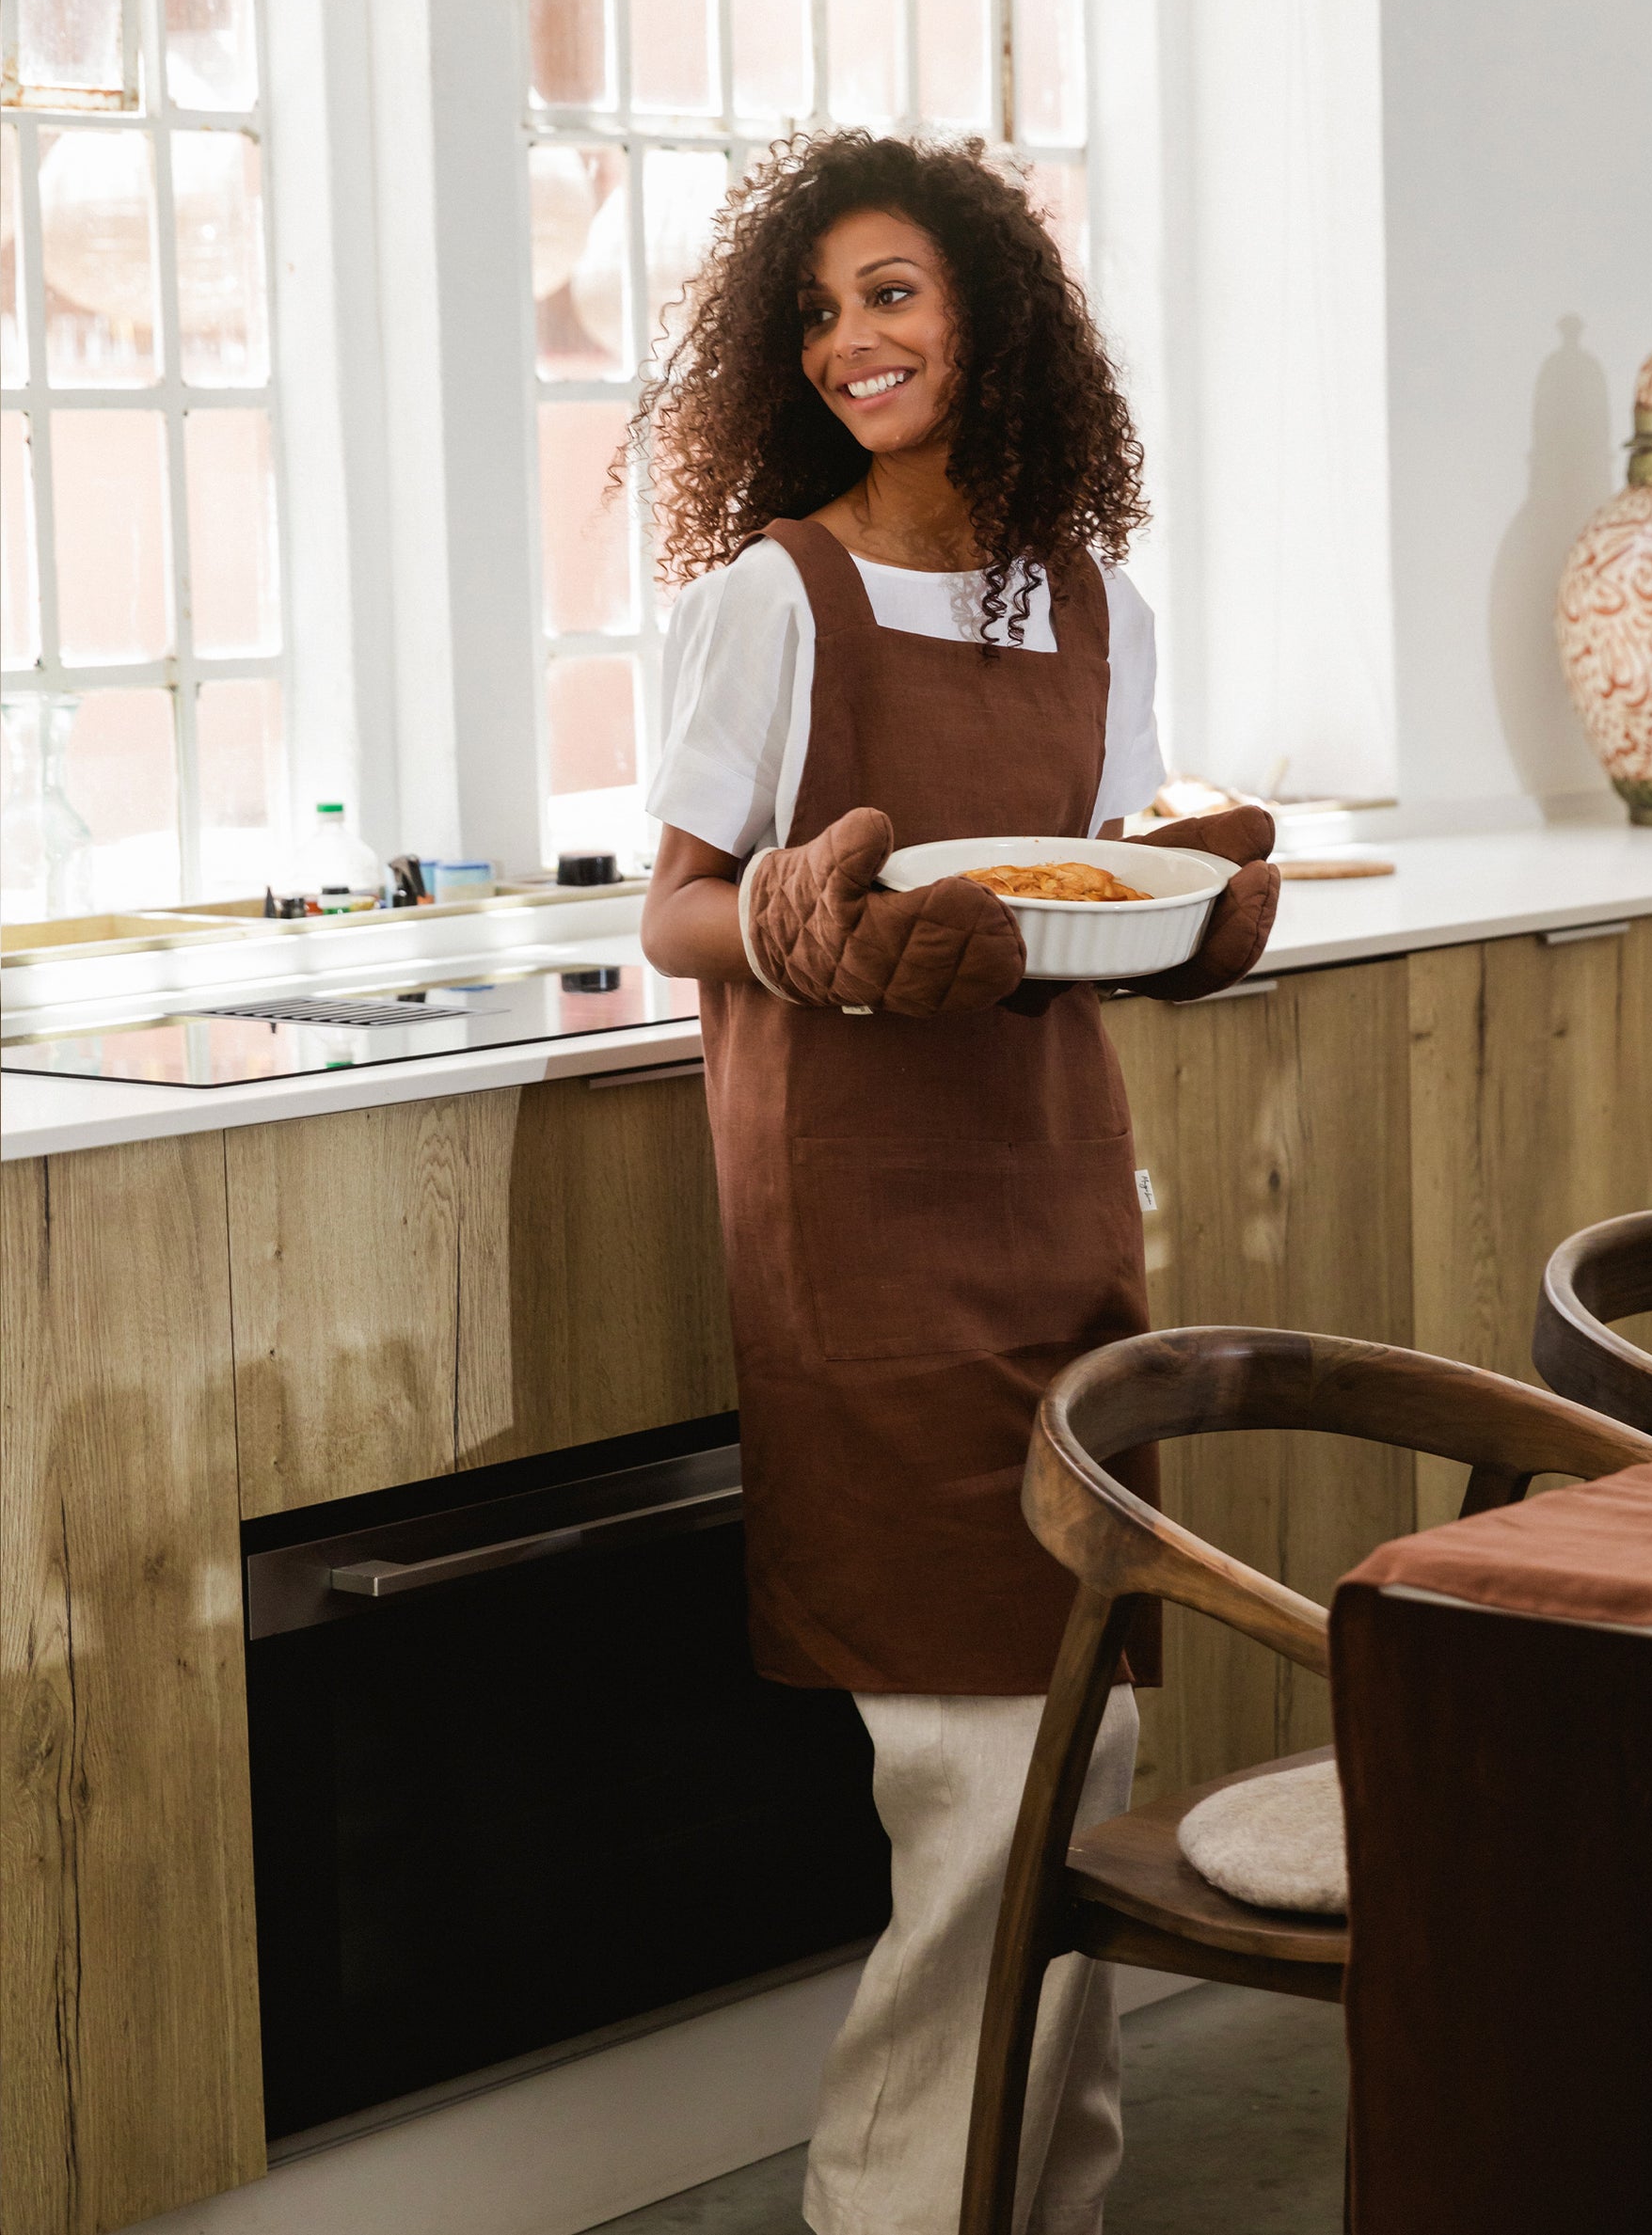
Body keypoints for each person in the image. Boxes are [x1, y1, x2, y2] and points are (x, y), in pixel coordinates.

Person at [636, 129, 1279, 2235]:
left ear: (988, 316)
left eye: (891, 294)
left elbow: (1094, 892)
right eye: (818, 310)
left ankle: (1038, 2196)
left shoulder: (1094, 610)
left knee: (1072, 1754)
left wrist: (1199, 914)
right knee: (982, 1779)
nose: (850, 341)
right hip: (853, 1229)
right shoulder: (773, 595)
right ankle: (906, 2209)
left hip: (1056, 1199)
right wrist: (805, 929)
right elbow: (679, 912)